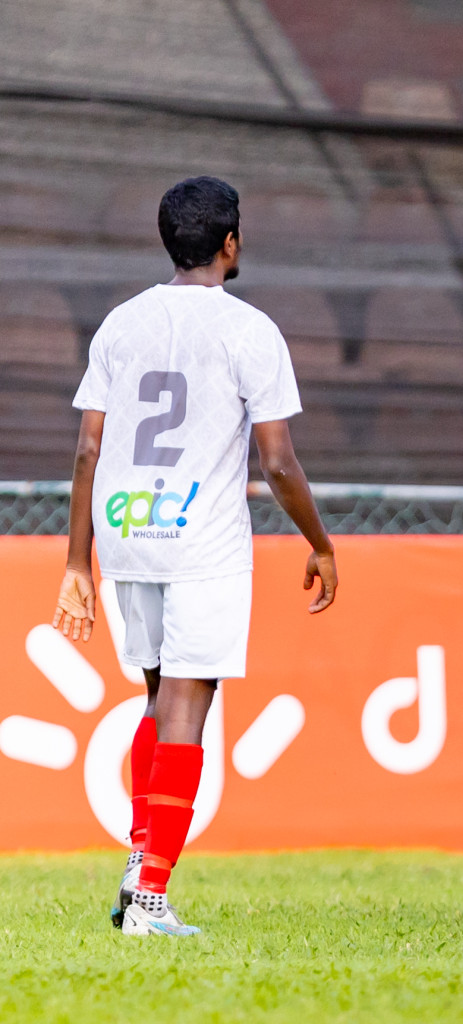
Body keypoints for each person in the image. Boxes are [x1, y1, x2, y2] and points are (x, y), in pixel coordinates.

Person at [52, 175, 337, 938]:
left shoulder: (120, 323)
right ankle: (149, 897)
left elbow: (88, 447)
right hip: (202, 539)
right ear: (231, 242)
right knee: (188, 708)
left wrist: (79, 564)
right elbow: (277, 463)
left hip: (126, 529)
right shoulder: (250, 331)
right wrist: (320, 543)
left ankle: (137, 864)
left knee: (156, 697)